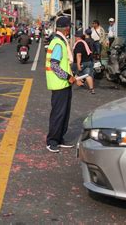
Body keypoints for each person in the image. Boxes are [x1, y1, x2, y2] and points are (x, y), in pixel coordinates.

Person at [45, 17, 83, 153]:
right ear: (67, 28)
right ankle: (52, 141)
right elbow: (54, 65)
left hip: (64, 84)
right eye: (70, 27)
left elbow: (63, 65)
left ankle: (59, 138)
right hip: (60, 84)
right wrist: (68, 77)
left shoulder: (60, 41)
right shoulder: (58, 43)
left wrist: (73, 77)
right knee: (58, 114)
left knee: (64, 114)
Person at [73, 30, 95, 94]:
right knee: (87, 75)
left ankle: (79, 82)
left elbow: (79, 55)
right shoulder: (85, 43)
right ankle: (91, 89)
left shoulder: (79, 44)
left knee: (74, 73)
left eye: (75, 37)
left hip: (82, 62)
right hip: (88, 62)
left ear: (78, 37)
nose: (75, 38)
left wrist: (78, 64)